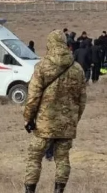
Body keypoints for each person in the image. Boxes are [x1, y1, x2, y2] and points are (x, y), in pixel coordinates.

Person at [23, 30, 87, 193]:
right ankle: (59, 190)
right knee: (63, 159)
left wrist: (28, 118)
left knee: (34, 157)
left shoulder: (42, 66)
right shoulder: (77, 69)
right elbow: (82, 100)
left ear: (50, 44)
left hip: (44, 124)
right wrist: (74, 120)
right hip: (67, 124)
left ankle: (30, 190)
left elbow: (33, 96)